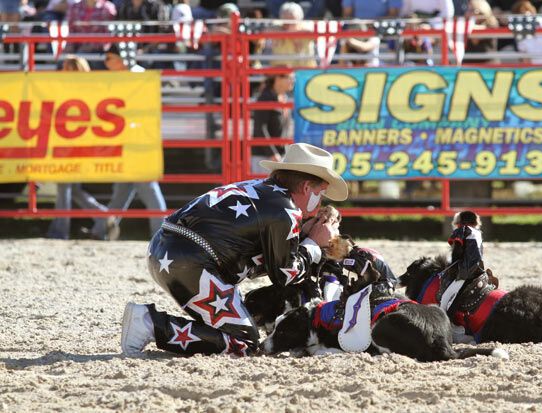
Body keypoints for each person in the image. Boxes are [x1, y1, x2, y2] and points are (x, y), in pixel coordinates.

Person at [120, 143, 347, 357]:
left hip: (168, 251)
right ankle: (150, 323)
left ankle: (155, 324)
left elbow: (267, 253)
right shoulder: (285, 211)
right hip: (191, 263)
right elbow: (285, 274)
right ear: (307, 187)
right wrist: (314, 244)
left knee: (235, 325)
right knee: (244, 343)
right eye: (321, 194)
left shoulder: (266, 192)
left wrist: (305, 232)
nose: (321, 203)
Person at [88, 44, 167, 240]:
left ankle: (163, 234)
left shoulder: (137, 76)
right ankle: (102, 232)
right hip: (128, 140)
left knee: (146, 186)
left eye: (109, 58)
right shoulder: (128, 76)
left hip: (138, 140)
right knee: (122, 191)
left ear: (121, 59)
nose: (105, 63)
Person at [46, 56, 117, 240]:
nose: (61, 71)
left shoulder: (74, 91)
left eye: (65, 68)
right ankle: (103, 216)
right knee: (72, 189)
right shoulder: (83, 90)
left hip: (72, 144)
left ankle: (59, 231)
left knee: (64, 187)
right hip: (72, 143)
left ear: (74, 71)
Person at [250, 71, 294, 173]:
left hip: (279, 155)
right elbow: (260, 128)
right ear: (277, 78)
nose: (292, 81)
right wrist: (272, 153)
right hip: (264, 156)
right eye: (289, 77)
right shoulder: (264, 99)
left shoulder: (284, 98)